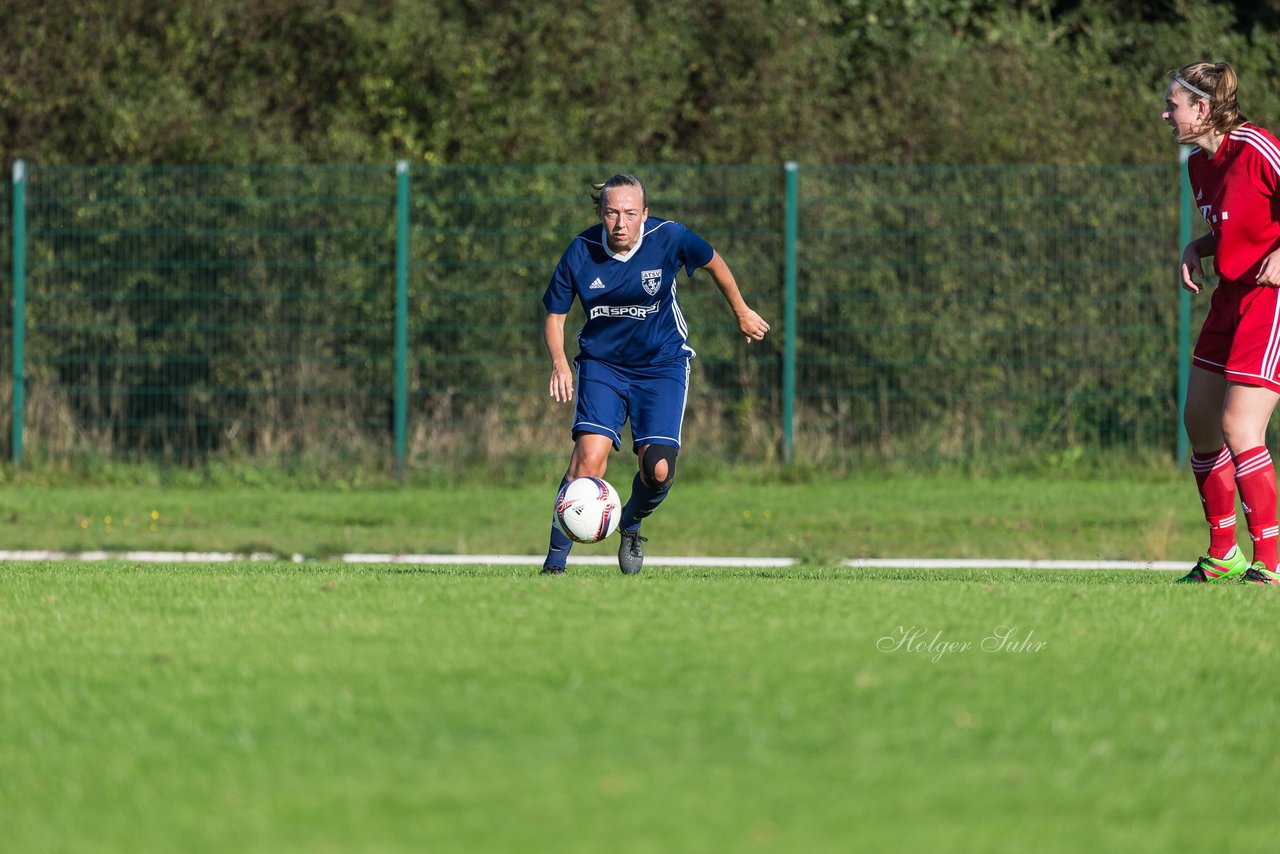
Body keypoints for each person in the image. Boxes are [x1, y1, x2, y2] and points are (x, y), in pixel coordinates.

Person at [539, 174, 770, 575]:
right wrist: (560, 362)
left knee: (659, 469)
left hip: (662, 365)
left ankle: (630, 523)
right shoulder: (581, 251)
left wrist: (742, 311)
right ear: (601, 213)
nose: (621, 223)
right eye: (612, 213)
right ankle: (554, 565)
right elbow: (555, 316)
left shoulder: (670, 237)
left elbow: (714, 261)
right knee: (588, 460)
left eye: (630, 213)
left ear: (645, 214)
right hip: (603, 366)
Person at [1164, 61, 1280, 585]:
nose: (1165, 113)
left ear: (1202, 109)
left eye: (1174, 104)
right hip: (1229, 296)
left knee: (1240, 426)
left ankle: (1271, 564)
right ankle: (1222, 553)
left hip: (1270, 299)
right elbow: (1237, 229)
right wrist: (1196, 246)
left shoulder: (1257, 147)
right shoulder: (1198, 164)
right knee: (1200, 420)